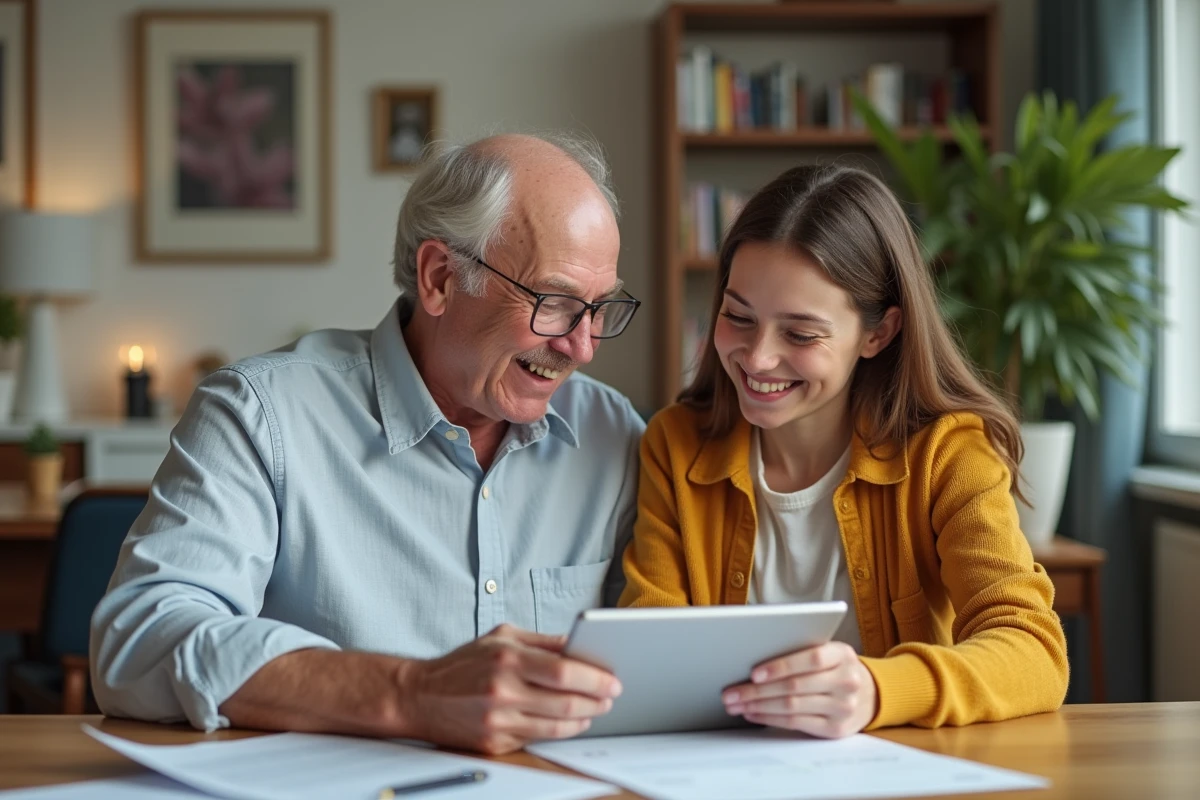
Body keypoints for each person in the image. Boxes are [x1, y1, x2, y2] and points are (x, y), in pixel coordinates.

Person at [91, 133, 645, 755]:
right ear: (439, 278)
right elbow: (139, 641)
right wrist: (410, 693)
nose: (583, 346)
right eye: (555, 303)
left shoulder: (612, 434)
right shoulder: (261, 414)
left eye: (600, 309)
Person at [620, 164, 1068, 738]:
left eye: (800, 334)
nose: (756, 359)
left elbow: (1034, 652)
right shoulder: (674, 444)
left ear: (878, 333)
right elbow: (648, 643)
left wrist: (878, 689)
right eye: (738, 317)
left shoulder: (946, 454)